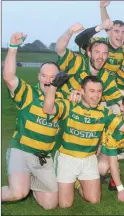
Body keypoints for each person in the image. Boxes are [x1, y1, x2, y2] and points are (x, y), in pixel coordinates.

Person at [42, 75, 124, 208]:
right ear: (82, 91)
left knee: (94, 200)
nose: (96, 95)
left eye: (99, 91)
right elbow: (47, 109)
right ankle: (71, 181)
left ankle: (77, 182)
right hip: (67, 158)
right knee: (65, 205)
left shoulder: (104, 112)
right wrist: (53, 87)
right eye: (92, 91)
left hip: (89, 159)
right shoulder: (70, 104)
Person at [1, 32, 63, 210]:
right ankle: (21, 185)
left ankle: (28, 182)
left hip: (43, 158)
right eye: (44, 76)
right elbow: (9, 78)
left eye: (53, 77)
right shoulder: (28, 94)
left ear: (59, 79)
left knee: (50, 204)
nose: (48, 80)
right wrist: (13, 48)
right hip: (21, 151)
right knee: (17, 193)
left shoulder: (63, 101)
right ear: (38, 77)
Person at [56, 23, 123, 113]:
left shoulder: (106, 76)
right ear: (89, 53)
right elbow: (60, 49)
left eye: (104, 53)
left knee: (116, 109)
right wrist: (69, 32)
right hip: (62, 107)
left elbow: (120, 100)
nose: (101, 57)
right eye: (97, 52)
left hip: (83, 114)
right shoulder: (78, 62)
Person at [74, 0, 124, 75]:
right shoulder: (97, 43)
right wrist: (99, 27)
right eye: (116, 31)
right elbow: (78, 40)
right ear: (108, 32)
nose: (120, 35)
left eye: (123, 32)